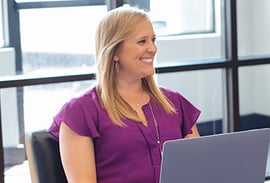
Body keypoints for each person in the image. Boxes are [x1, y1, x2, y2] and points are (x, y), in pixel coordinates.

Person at [48, 5, 201, 183]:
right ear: (114, 52)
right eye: (142, 41)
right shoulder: (80, 111)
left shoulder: (174, 102)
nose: (152, 48)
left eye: (153, 39)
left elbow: (198, 168)